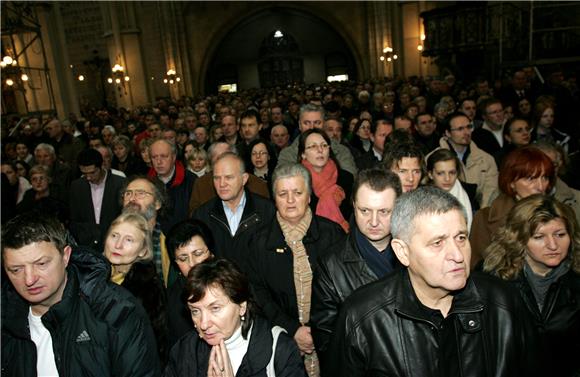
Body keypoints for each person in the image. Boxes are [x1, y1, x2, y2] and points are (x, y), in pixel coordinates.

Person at [327, 186, 540, 377]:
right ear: (402, 252)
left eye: (461, 238)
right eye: (437, 242)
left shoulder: (503, 302)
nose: (457, 255)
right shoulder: (362, 317)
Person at [2, 212, 161, 376]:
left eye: (41, 264)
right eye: (16, 269)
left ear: (66, 256)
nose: (29, 279)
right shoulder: (4, 316)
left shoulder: (117, 312)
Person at [248, 164, 346, 377]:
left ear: (309, 197)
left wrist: (318, 333)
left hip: (331, 341)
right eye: (283, 194)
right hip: (280, 343)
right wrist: (293, 330)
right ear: (275, 199)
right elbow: (258, 294)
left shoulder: (333, 235)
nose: (290, 200)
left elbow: (345, 291)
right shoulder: (259, 242)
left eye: (298, 193)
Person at [310, 168, 402, 373]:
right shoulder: (331, 264)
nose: (374, 221)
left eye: (384, 211)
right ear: (353, 206)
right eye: (365, 211)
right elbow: (327, 343)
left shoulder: (417, 255)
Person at [483, 195, 580, 377]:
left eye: (560, 235)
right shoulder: (493, 280)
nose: (553, 245)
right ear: (519, 239)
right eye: (539, 237)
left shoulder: (576, 280)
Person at [163, 258, 307, 377]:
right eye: (195, 311)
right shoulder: (184, 350)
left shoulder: (280, 349)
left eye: (215, 309)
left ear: (242, 306)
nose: (204, 324)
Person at [470, 146, 556, 268]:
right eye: (531, 179)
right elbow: (475, 270)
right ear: (511, 182)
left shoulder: (560, 215)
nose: (541, 186)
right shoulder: (484, 219)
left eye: (545, 177)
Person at [103, 212, 168, 364]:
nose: (118, 245)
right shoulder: (88, 279)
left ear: (143, 251)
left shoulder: (148, 290)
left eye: (129, 240)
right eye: (114, 236)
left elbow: (153, 348)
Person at [192, 152, 276, 270]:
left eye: (229, 177)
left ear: (244, 179)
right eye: (217, 178)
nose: (222, 184)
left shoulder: (267, 210)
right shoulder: (201, 215)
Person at [165, 219, 215, 347]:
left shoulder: (232, 283)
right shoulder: (171, 299)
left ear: (212, 253)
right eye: (183, 258)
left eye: (198, 254)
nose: (192, 263)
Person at [436, 112, 498, 207]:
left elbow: (491, 191)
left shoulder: (486, 159)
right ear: (448, 133)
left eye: (469, 127)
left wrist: (481, 215)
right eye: (460, 129)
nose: (466, 132)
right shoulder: (434, 158)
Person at [277, 104, 357, 176]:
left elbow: (350, 180)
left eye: (317, 123)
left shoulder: (341, 151)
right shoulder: (287, 154)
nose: (312, 127)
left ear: (324, 125)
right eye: (307, 123)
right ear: (299, 125)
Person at [69, 148, 126, 249]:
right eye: (84, 174)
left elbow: (125, 215)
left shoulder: (120, 184)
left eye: (92, 173)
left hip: (116, 242)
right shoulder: (77, 186)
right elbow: (74, 220)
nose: (88, 178)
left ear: (102, 166)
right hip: (87, 245)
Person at [298, 129, 353, 232]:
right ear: (303, 154)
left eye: (324, 145)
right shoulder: (298, 182)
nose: (320, 150)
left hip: (344, 238)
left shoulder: (346, 178)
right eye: (313, 146)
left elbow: (352, 215)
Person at [148, 138, 196, 233]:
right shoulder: (146, 183)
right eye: (154, 157)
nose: (159, 162)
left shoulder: (191, 180)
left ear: (174, 157)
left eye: (164, 156)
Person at [426, 148, 476, 229]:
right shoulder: (420, 198)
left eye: (452, 173)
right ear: (430, 174)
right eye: (440, 173)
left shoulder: (470, 196)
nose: (447, 178)